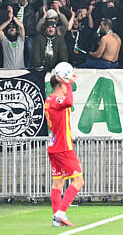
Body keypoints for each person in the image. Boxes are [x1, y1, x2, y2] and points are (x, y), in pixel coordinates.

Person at [44, 68, 83, 227]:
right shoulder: (56, 101)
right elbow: (68, 102)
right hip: (63, 147)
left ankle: (56, 218)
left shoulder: (49, 100)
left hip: (54, 147)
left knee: (57, 183)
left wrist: (66, 81)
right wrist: (69, 82)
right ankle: (61, 212)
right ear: (61, 84)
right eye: (66, 85)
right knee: (78, 181)